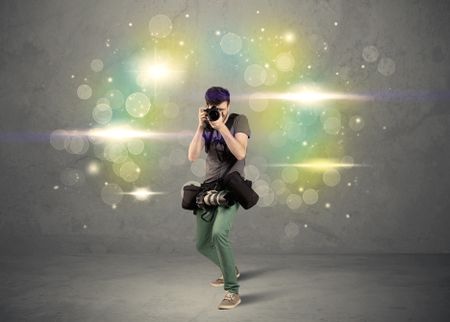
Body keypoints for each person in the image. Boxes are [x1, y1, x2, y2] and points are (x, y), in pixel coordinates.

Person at [187, 86, 251, 310]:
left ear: (228, 106)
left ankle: (232, 291)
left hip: (231, 189)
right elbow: (192, 155)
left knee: (219, 233)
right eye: (214, 110)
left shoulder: (238, 121)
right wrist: (200, 126)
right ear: (207, 107)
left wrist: (222, 126)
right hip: (208, 190)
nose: (219, 114)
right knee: (202, 244)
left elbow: (241, 153)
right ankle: (230, 270)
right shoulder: (206, 125)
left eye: (222, 110)